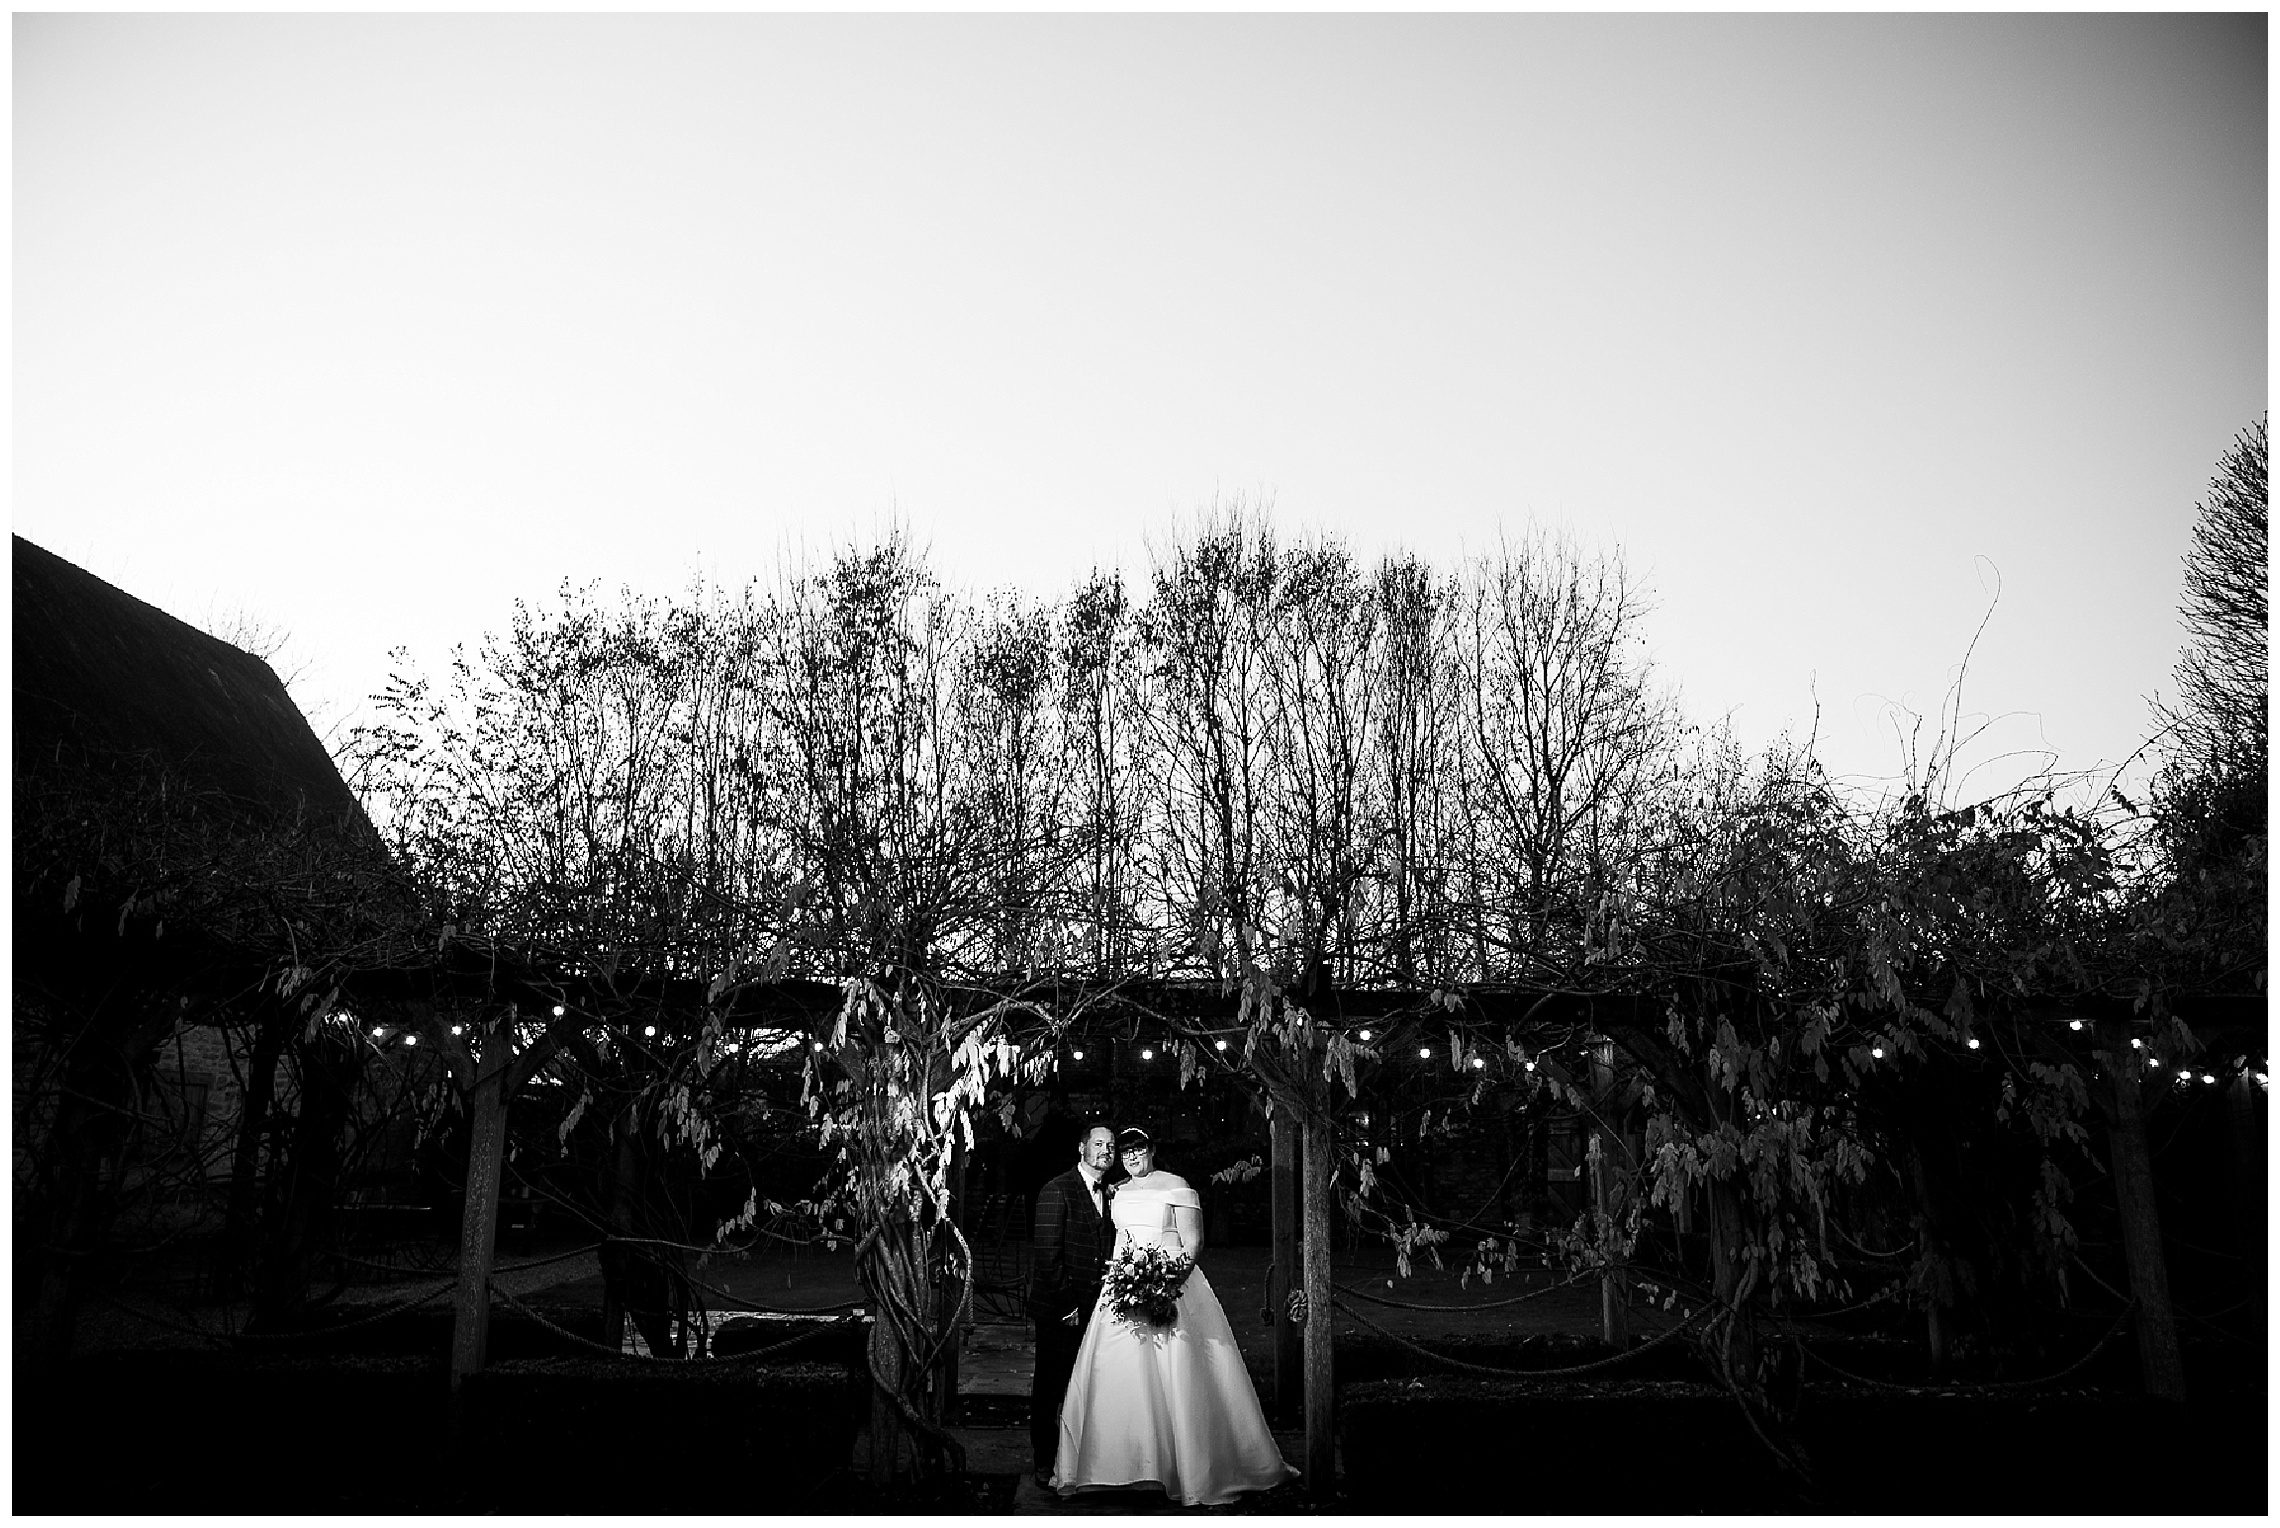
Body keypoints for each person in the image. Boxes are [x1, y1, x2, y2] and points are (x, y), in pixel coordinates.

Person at [1053, 1126, 1297, 1506]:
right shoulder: (1119, 1191)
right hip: (1124, 1288)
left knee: (1177, 1375)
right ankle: (1119, 1466)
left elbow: (1193, 1242)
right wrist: (1122, 1281)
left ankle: (1181, 1466)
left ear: (1152, 1150)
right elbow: (1121, 1240)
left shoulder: (1176, 1186)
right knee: (1119, 1374)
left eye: (1139, 1150)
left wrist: (1164, 1285)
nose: (1132, 1157)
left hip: (1171, 1285)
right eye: (1126, 1151)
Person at [1027, 1120, 1116, 1484]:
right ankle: (1044, 1463)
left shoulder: (1112, 1194)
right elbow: (1047, 1254)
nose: (1105, 1151)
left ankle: (1085, 1461)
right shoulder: (1057, 1189)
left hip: (1099, 1310)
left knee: (1091, 1386)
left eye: (1110, 1146)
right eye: (1098, 1144)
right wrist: (1067, 1306)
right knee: (1050, 1386)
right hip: (1060, 1311)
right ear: (1082, 1149)